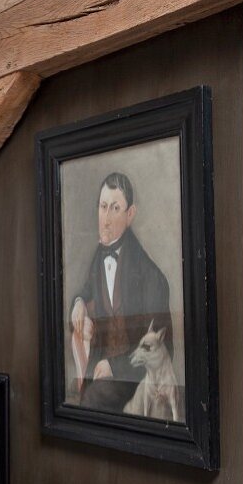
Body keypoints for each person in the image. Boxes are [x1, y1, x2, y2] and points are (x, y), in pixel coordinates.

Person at [70, 171, 171, 414]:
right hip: (100, 365)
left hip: (131, 376)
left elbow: (162, 347)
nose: (106, 219)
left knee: (91, 402)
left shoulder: (152, 278)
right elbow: (87, 288)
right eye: (103, 207)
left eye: (115, 208)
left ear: (130, 214)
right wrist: (79, 301)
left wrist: (115, 366)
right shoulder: (99, 256)